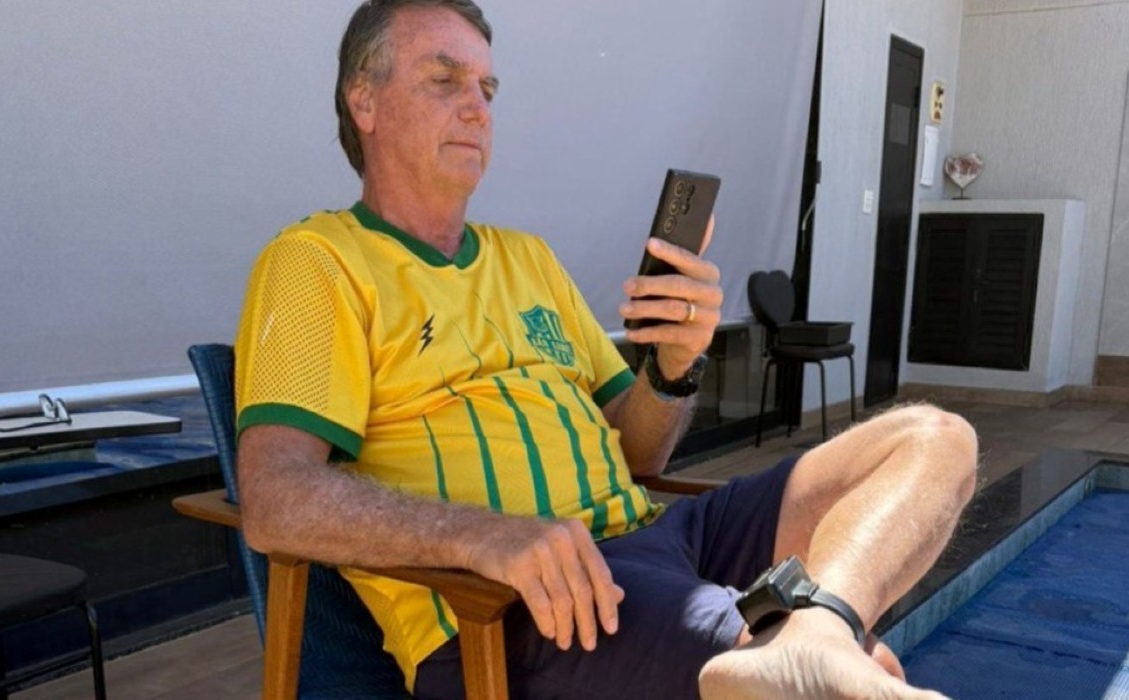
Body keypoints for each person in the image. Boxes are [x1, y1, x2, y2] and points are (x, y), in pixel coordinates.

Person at [232, 1, 978, 697]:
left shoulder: (528, 259)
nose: (478, 107)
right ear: (364, 102)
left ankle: (816, 630)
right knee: (857, 674)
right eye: (444, 79)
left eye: (487, 88)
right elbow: (272, 498)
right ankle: (805, 648)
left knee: (931, 439)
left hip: (659, 535)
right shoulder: (318, 262)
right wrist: (485, 537)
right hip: (526, 605)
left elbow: (638, 454)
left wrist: (674, 367)